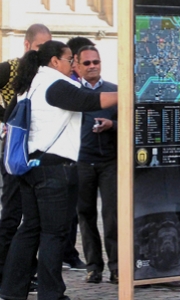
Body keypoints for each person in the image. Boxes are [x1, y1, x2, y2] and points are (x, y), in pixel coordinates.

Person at [0, 40, 117, 300]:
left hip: (31, 166)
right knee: (53, 234)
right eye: (69, 60)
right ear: (54, 62)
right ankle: (51, 294)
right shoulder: (55, 84)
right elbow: (92, 99)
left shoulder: (29, 84)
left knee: (29, 229)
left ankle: (11, 291)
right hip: (55, 170)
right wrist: (131, 93)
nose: (73, 65)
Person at [0, 23, 51, 299]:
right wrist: (4, 116)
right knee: (12, 214)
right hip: (15, 150)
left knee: (33, 217)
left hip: (38, 153)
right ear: (27, 45)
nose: (42, 53)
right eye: (38, 48)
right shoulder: (10, 69)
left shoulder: (48, 73)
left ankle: (24, 272)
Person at [74, 45, 120, 284]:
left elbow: (132, 125)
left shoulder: (114, 91)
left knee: (112, 215)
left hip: (109, 162)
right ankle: (93, 266)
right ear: (77, 66)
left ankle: (116, 267)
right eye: (88, 63)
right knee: (85, 214)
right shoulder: (71, 93)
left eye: (96, 62)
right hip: (81, 162)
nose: (93, 66)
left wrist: (112, 125)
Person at [59, 36, 97, 271]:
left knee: (76, 210)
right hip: (70, 155)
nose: (91, 66)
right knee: (70, 210)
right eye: (85, 61)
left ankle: (69, 252)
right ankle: (67, 253)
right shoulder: (67, 85)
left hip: (85, 153)